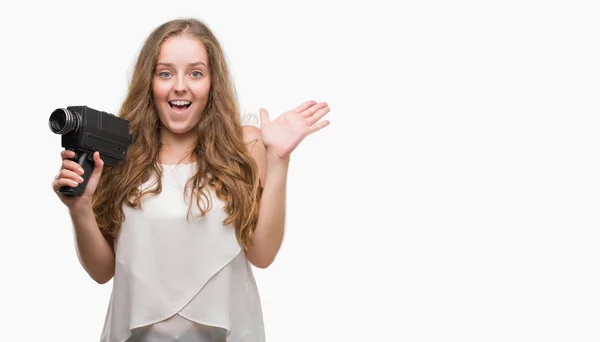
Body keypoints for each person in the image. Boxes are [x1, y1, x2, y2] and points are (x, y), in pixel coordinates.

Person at [51, 17, 330, 342]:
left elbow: (263, 254)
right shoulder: (122, 153)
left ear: (212, 83)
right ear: (150, 81)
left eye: (195, 73)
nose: (179, 85)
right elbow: (102, 273)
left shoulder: (245, 145)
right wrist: (80, 208)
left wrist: (278, 159)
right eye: (165, 73)